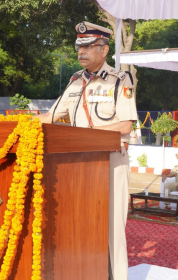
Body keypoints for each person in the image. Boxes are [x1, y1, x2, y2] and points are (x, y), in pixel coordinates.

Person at [34, 22, 137, 280]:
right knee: (78, 222)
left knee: (112, 226)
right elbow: (51, 116)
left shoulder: (119, 80)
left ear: (103, 50)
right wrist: (18, 124)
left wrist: (86, 137)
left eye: (88, 46)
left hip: (110, 162)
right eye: (79, 46)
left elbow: (125, 124)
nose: (81, 51)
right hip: (77, 165)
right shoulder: (75, 82)